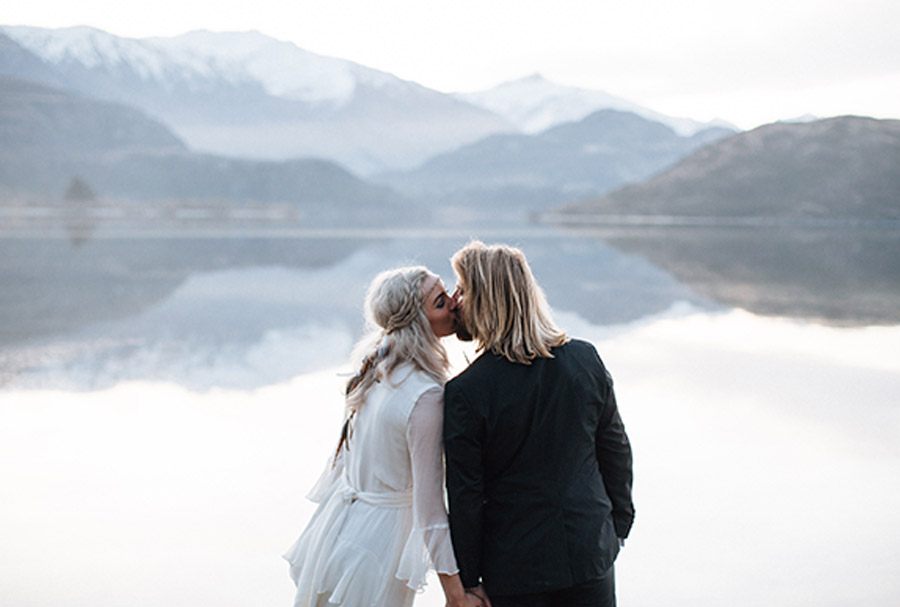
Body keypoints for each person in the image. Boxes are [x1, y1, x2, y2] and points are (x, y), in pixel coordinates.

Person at [443, 242, 634, 607]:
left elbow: (466, 494)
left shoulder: (465, 392)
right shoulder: (584, 359)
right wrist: (616, 527)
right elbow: (615, 450)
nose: (455, 300)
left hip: (514, 569)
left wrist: (468, 580)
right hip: (589, 550)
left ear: (486, 298)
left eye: (463, 289)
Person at [283, 267, 485, 607]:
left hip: (340, 531)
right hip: (378, 549)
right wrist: (456, 594)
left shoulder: (376, 368)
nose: (453, 303)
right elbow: (429, 505)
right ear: (417, 322)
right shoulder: (424, 395)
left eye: (447, 292)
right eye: (440, 302)